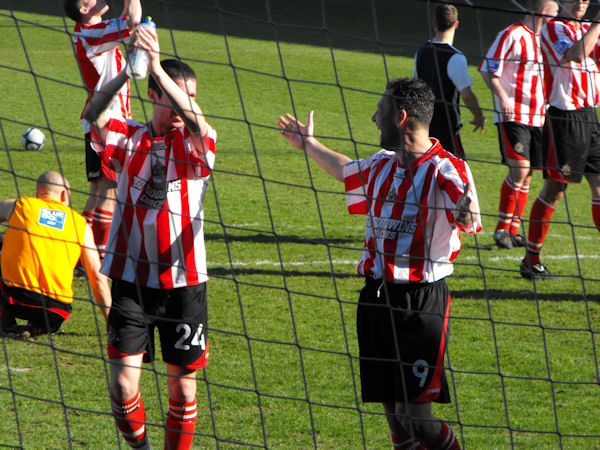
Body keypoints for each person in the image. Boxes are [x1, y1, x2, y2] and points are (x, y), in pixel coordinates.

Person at [278, 77, 481, 449]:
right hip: (375, 297)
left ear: (401, 118)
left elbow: (466, 217)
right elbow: (345, 170)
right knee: (394, 416)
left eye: (381, 111)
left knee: (418, 420)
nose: (374, 118)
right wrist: (308, 143)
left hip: (420, 303)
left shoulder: (446, 170)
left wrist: (463, 210)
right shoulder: (381, 164)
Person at [84, 24, 216, 449]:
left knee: (184, 390)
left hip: (185, 285)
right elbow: (95, 117)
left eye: (190, 95)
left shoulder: (197, 142)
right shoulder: (130, 139)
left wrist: (159, 69)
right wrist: (130, 71)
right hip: (130, 281)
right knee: (122, 387)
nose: (183, 103)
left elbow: (198, 126)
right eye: (172, 92)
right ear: (154, 95)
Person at [520, 0, 600, 280]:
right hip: (565, 118)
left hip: (590, 117)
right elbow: (576, 54)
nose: (580, 3)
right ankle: (531, 260)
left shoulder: (590, 30)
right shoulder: (554, 28)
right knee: (555, 190)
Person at [64, 0, 141, 260]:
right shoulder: (92, 34)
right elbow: (133, 19)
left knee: (99, 192)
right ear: (84, 10)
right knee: (109, 191)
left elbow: (128, 22)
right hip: (108, 122)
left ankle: (77, 255)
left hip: (100, 118)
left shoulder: (93, 32)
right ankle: (99, 258)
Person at [479, 0, 559, 249]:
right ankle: (502, 228)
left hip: (539, 117)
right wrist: (502, 98)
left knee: (528, 175)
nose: (556, 20)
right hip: (514, 115)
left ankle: (513, 230)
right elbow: (487, 68)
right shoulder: (511, 34)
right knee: (520, 169)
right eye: (554, 15)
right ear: (543, 12)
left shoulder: (545, 41)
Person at [0, 171, 111, 338]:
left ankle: (5, 321)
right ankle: (40, 326)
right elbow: (97, 277)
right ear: (64, 194)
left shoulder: (21, 206)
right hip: (56, 310)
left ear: (38, 193)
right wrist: (113, 323)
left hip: (16, 300)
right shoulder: (80, 225)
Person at [413, 3, 486, 158]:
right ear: (456, 24)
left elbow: (414, 86)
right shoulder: (455, 57)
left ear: (434, 24)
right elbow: (466, 94)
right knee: (457, 175)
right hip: (446, 129)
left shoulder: (421, 51)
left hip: (424, 125)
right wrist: (479, 116)